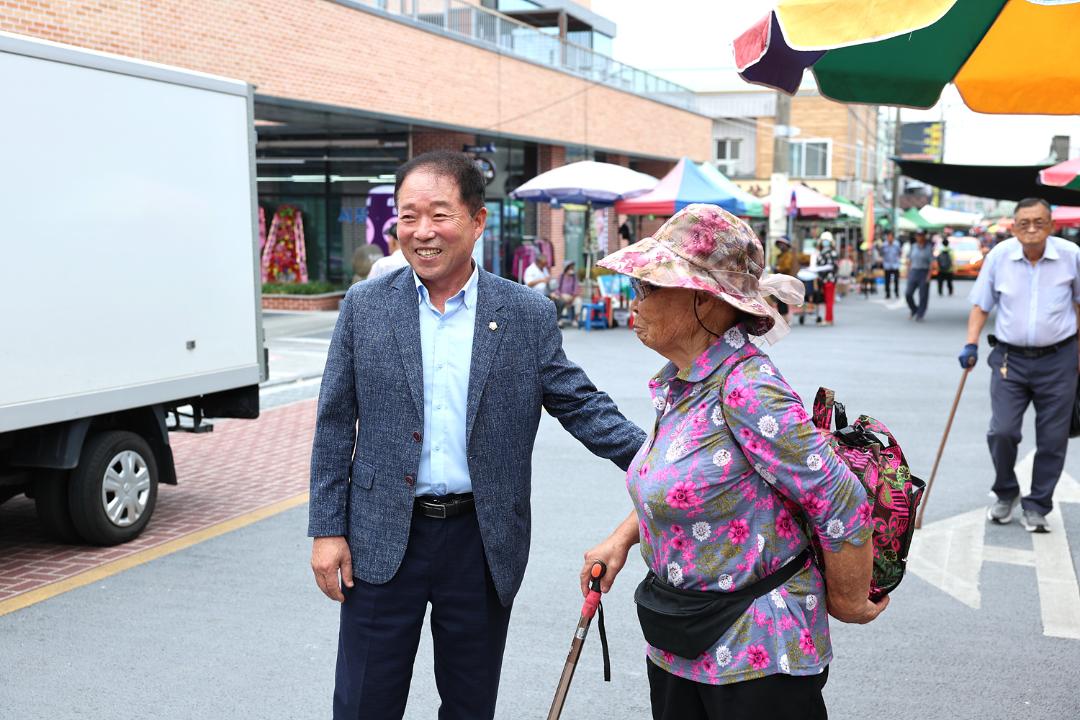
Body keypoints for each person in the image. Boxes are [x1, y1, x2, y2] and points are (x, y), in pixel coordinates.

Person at [308, 150, 645, 719]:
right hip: (382, 537)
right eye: (408, 216)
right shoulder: (366, 307)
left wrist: (669, 459)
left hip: (481, 540)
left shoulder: (524, 314)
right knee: (363, 701)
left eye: (439, 215)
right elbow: (335, 422)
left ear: (477, 220)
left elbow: (582, 405)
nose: (422, 232)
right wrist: (326, 529)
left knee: (469, 706)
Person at [580, 204, 884, 720]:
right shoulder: (683, 382)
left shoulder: (748, 388)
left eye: (649, 288)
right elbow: (692, 483)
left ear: (705, 299)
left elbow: (839, 496)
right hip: (682, 635)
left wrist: (850, 600)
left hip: (755, 651)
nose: (635, 301)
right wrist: (622, 537)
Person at [959, 197, 1080, 534]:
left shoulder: (1072, 256)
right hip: (1010, 360)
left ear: (1051, 226)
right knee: (1002, 431)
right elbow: (981, 305)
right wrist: (970, 343)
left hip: (1060, 359)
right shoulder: (999, 256)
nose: (1031, 228)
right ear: (1013, 226)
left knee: (1053, 438)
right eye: (1024, 222)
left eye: (1039, 222)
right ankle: (1005, 491)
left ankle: (1038, 504)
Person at [905, 231, 933, 320]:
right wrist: (907, 272)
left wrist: (929, 275)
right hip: (914, 271)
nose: (919, 237)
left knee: (923, 295)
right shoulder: (913, 247)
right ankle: (914, 309)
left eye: (921, 236)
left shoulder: (928, 248)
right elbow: (909, 260)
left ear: (924, 237)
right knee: (908, 293)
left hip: (924, 272)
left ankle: (920, 313)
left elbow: (932, 263)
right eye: (917, 235)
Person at [813, 232, 837, 326]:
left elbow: (831, 266)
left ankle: (828, 319)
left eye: (826, 241)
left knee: (829, 300)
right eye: (823, 240)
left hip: (829, 279)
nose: (825, 242)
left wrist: (818, 269)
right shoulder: (822, 252)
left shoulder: (831, 252)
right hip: (824, 279)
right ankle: (829, 318)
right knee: (827, 300)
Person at [773, 235, 798, 322]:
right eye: (780, 244)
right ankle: (783, 318)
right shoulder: (780, 256)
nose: (781, 246)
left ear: (787, 245)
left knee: (782, 300)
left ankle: (786, 319)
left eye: (783, 244)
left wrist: (778, 268)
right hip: (780, 280)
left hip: (786, 280)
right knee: (779, 300)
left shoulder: (789, 255)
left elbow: (787, 267)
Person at [551, 259, 582, 323]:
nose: (572, 269)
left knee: (578, 301)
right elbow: (556, 289)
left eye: (572, 267)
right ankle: (559, 319)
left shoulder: (574, 277)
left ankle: (575, 319)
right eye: (570, 267)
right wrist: (561, 296)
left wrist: (573, 298)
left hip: (572, 297)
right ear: (566, 268)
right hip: (562, 296)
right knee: (559, 301)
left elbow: (576, 289)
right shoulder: (561, 277)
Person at [881, 230, 901, 299]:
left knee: (896, 280)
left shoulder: (897, 244)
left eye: (890, 237)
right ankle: (888, 293)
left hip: (895, 265)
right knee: (887, 280)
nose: (889, 238)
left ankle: (896, 292)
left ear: (893, 238)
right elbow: (882, 253)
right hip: (887, 265)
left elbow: (899, 253)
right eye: (888, 237)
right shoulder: (884, 245)